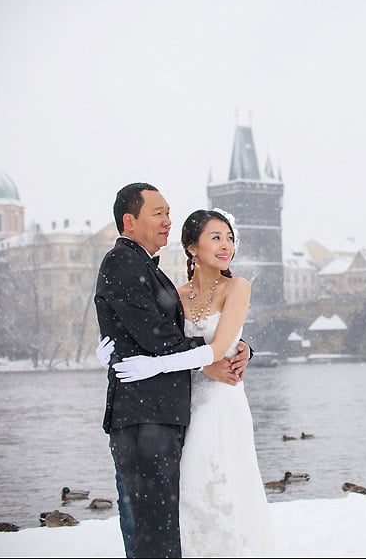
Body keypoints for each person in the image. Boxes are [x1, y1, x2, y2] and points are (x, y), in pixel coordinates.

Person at [95, 183, 250, 558]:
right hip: (147, 414)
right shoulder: (125, 262)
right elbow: (157, 336)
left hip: (171, 411)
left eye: (168, 213)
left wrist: (237, 351)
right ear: (129, 221)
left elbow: (169, 338)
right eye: (158, 213)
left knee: (171, 513)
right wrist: (205, 359)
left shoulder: (146, 267)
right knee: (153, 520)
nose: (167, 220)